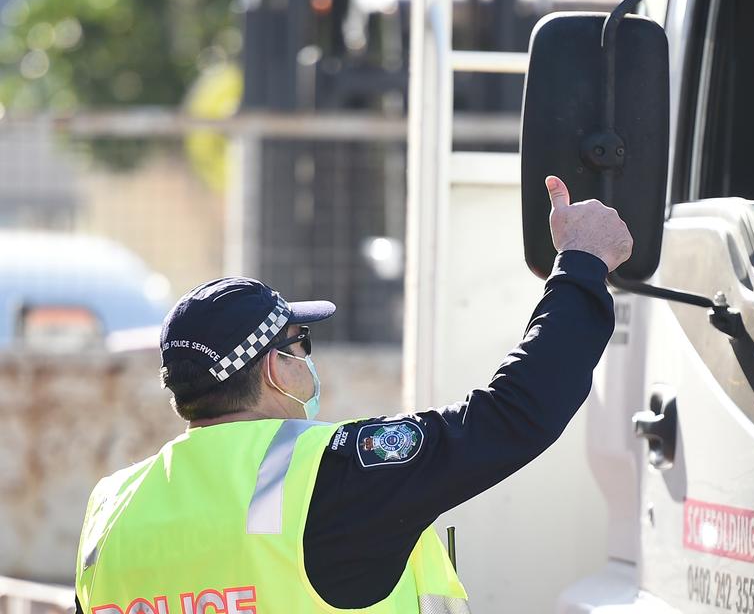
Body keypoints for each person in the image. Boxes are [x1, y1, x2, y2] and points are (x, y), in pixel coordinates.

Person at [73, 175, 632, 614]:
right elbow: (516, 412)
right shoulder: (331, 477)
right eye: (301, 343)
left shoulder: (111, 511)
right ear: (274, 368)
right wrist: (581, 265)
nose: (307, 360)